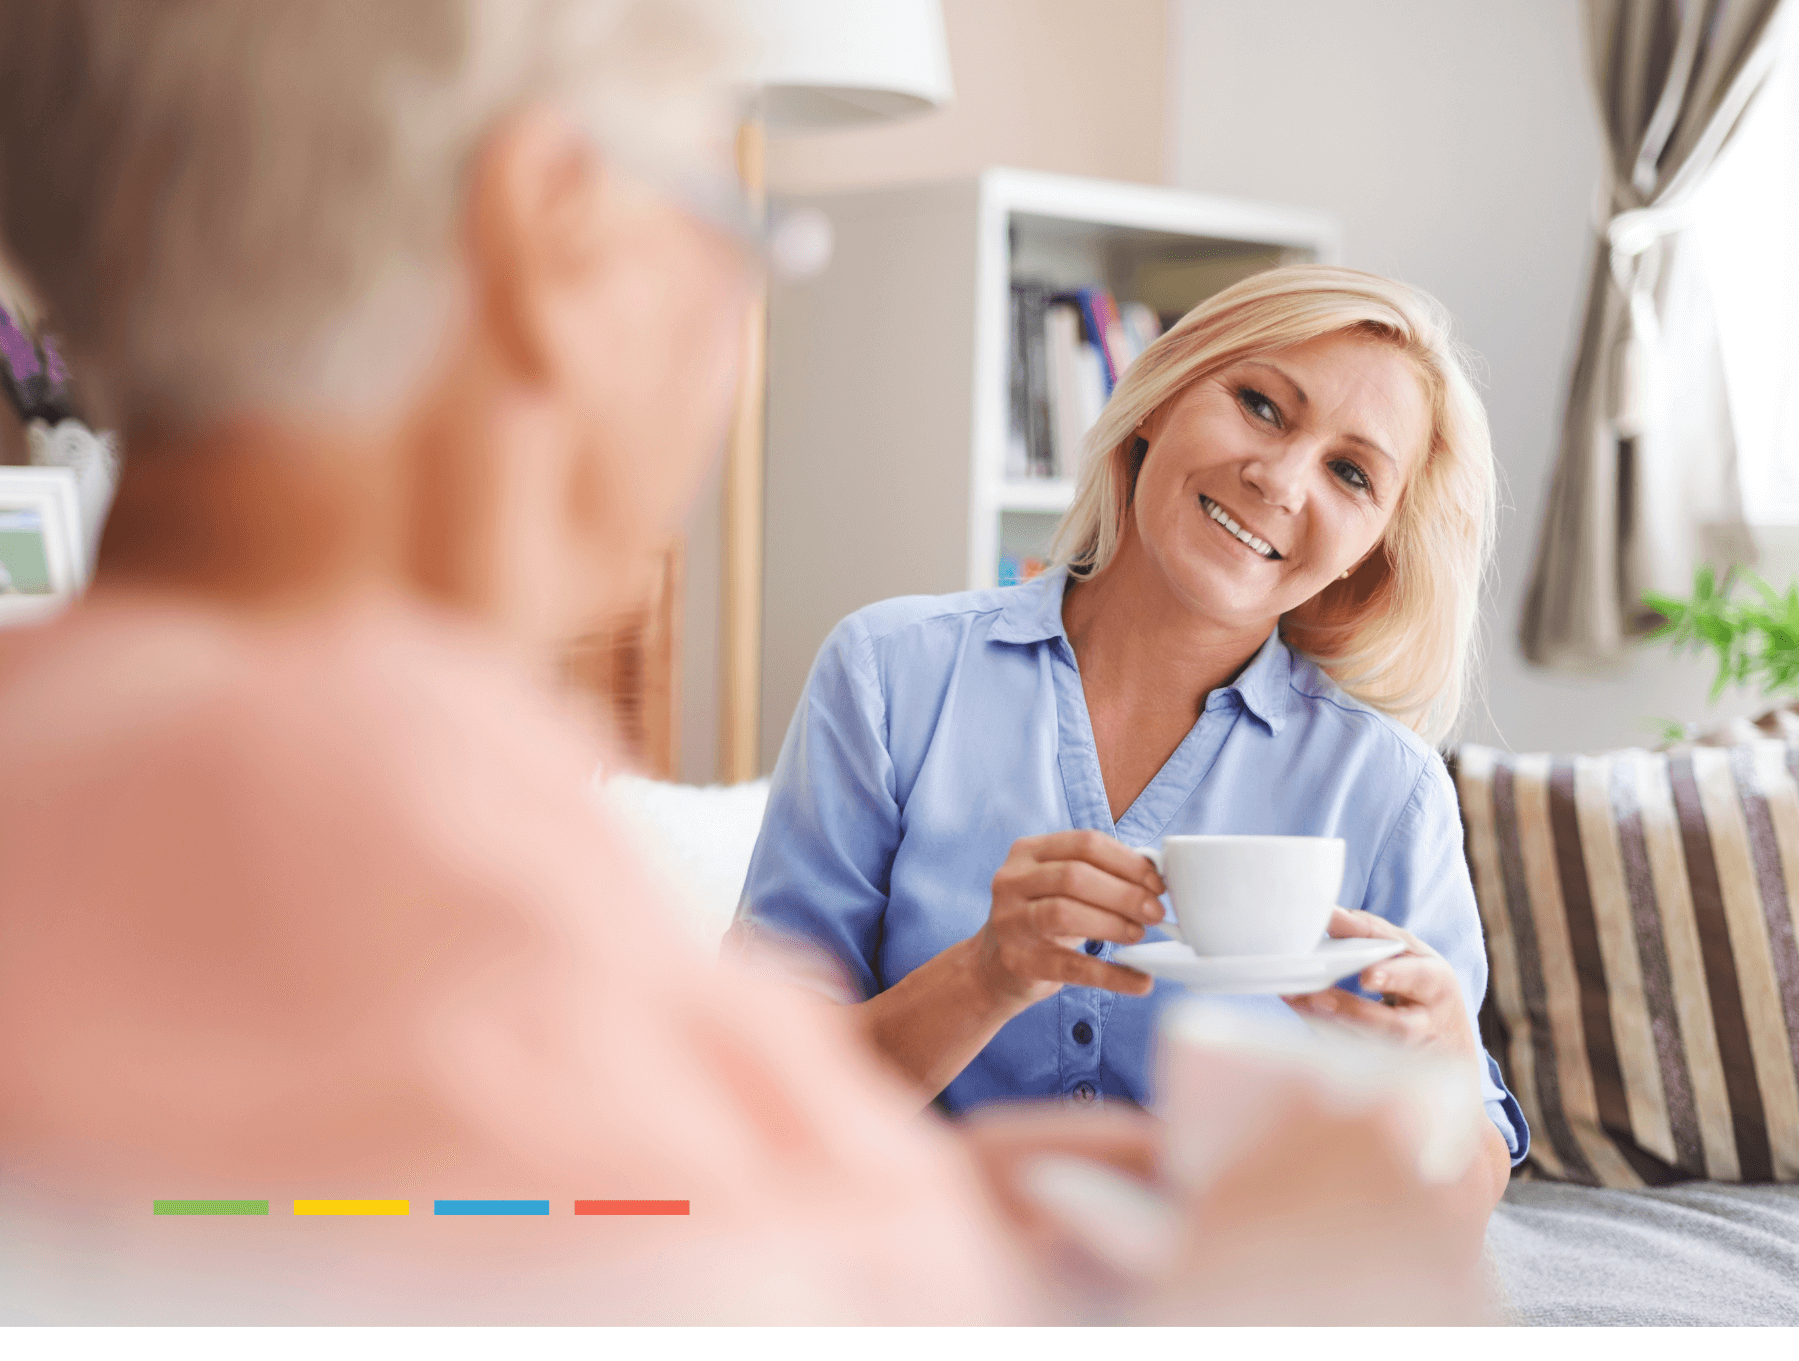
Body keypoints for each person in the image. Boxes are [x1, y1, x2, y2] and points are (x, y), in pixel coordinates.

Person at [0, 0, 1484, 1325]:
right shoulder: (449, 845)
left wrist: (900, 1212)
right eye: (734, 219)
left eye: (1352, 472)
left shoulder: (87, 750)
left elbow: (444, 1210)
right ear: (550, 229)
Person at [734, 264, 1531, 1231]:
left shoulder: (1389, 790)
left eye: (1351, 473)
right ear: (1158, 397)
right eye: (1261, 406)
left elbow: (1459, 1195)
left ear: (1374, 546)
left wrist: (1442, 1076)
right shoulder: (889, 673)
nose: (1280, 481)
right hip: (913, 1270)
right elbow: (753, 1100)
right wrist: (984, 974)